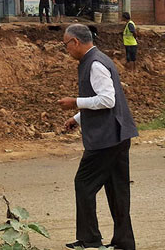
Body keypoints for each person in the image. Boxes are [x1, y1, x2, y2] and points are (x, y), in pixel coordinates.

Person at [58, 24, 137, 250]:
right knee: (117, 189)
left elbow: (107, 100)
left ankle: (89, 238)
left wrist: (75, 102)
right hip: (118, 135)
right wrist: (78, 117)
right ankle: (124, 242)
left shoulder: (94, 64)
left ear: (75, 42)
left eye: (66, 45)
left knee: (83, 184)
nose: (66, 50)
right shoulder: (96, 60)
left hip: (107, 138)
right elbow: (100, 99)